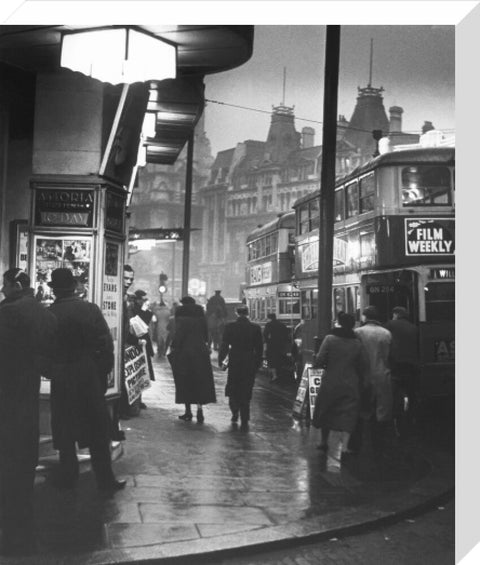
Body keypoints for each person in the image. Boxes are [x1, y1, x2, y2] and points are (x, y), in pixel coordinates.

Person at [47, 268, 126, 494]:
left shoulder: (51, 313)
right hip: (88, 376)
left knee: (65, 429)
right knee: (97, 431)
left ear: (55, 291)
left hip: (62, 378)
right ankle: (105, 480)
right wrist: (99, 374)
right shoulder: (90, 310)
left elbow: (44, 350)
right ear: (74, 287)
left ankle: (68, 476)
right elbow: (105, 344)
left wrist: (53, 371)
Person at [0, 268, 57, 555]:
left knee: (8, 457)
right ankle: (23, 524)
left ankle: (12, 533)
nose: (2, 290)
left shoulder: (9, 313)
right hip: (28, 392)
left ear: (14, 285)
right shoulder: (40, 311)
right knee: (22, 455)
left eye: (4, 285)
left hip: (8, 392)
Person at [312, 313, 368, 474]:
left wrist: (317, 364)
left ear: (338, 323)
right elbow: (362, 363)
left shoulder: (330, 339)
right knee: (349, 413)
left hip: (331, 380)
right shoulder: (357, 342)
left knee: (326, 409)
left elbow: (320, 359)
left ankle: (323, 441)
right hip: (351, 381)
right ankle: (345, 446)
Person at [354, 305, 393, 460]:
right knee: (381, 410)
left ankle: (358, 443)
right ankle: (379, 443)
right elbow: (391, 356)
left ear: (364, 317)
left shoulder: (358, 333)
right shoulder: (386, 333)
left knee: (362, 408)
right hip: (382, 373)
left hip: (363, 375)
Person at [169, 296, 216, 423]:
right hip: (200, 352)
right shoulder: (201, 317)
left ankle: (188, 411)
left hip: (185, 352)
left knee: (185, 381)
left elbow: (178, 335)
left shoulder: (181, 317)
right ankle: (200, 409)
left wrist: (173, 347)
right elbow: (206, 336)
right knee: (200, 380)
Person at [218, 305, 263, 430]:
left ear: (236, 313)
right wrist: (258, 363)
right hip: (249, 359)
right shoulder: (255, 328)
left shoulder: (230, 327)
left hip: (235, 359)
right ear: (248, 313)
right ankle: (245, 415)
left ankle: (234, 410)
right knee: (246, 386)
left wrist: (221, 360)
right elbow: (259, 348)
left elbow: (225, 345)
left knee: (233, 385)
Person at [385, 306, 420, 435]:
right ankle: (411, 418)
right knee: (411, 393)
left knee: (394, 394)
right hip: (411, 365)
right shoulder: (414, 327)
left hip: (396, 365)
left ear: (396, 314)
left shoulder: (390, 325)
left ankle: (396, 421)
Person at [263, 313, 290, 382]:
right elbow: (287, 335)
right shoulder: (282, 324)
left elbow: (265, 335)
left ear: (269, 318)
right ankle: (280, 375)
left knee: (272, 361)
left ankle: (275, 376)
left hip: (272, 345)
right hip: (281, 345)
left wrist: (267, 341)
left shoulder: (268, 325)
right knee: (279, 359)